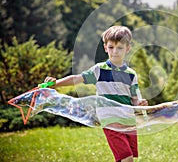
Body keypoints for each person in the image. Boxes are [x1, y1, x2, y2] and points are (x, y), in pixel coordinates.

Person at [44, 25, 148, 162]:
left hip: (128, 121)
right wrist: (56, 83)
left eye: (120, 48)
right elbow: (76, 78)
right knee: (127, 159)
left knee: (125, 159)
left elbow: (134, 99)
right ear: (105, 48)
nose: (115, 51)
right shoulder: (99, 70)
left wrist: (139, 104)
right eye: (111, 47)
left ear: (128, 49)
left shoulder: (131, 74)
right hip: (111, 120)